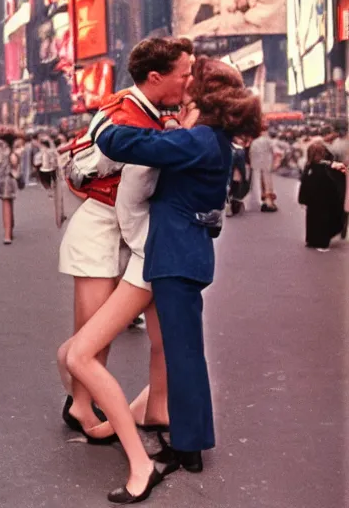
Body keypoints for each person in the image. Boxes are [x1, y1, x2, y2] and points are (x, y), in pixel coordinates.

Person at [90, 58, 265, 502]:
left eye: (192, 79)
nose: (184, 83)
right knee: (184, 353)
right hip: (184, 253)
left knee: (184, 356)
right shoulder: (212, 138)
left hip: (175, 256)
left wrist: (106, 125)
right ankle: (189, 441)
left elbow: (135, 145)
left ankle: (188, 448)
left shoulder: (201, 139)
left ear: (204, 93)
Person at [56, 37, 192, 446]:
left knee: (102, 333)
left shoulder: (146, 111)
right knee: (94, 334)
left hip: (125, 231)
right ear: (156, 77)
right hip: (101, 228)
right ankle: (81, 404)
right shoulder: (123, 115)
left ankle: (100, 400)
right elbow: (83, 168)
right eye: (184, 75)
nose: (188, 82)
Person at [298, 142, 347, 251]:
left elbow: (304, 183)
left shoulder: (309, 167)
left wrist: (302, 199)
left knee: (311, 220)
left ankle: (311, 240)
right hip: (325, 202)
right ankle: (321, 243)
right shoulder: (325, 168)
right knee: (323, 222)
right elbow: (333, 185)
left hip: (312, 202)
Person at [0, 127, 21, 244]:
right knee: (9, 203)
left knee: (5, 205)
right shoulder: (11, 147)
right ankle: (10, 229)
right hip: (11, 177)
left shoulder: (0, 146)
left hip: (3, 178)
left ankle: (7, 235)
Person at [250, 126, 278, 211]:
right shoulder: (268, 140)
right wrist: (276, 163)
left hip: (257, 165)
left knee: (261, 182)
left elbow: (251, 153)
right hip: (267, 163)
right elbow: (276, 151)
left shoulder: (254, 142)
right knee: (268, 183)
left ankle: (264, 200)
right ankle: (268, 202)